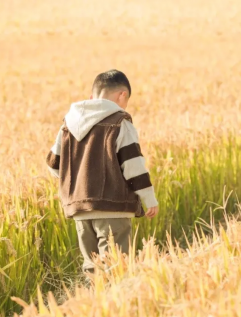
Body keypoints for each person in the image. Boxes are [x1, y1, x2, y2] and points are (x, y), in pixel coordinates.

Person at [46, 69, 159, 275]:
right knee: (116, 270)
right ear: (122, 95)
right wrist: (149, 198)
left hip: (80, 210)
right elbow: (133, 165)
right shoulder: (120, 121)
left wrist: (79, 180)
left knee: (93, 271)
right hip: (112, 208)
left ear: (92, 97)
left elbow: (54, 164)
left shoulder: (68, 124)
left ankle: (93, 306)